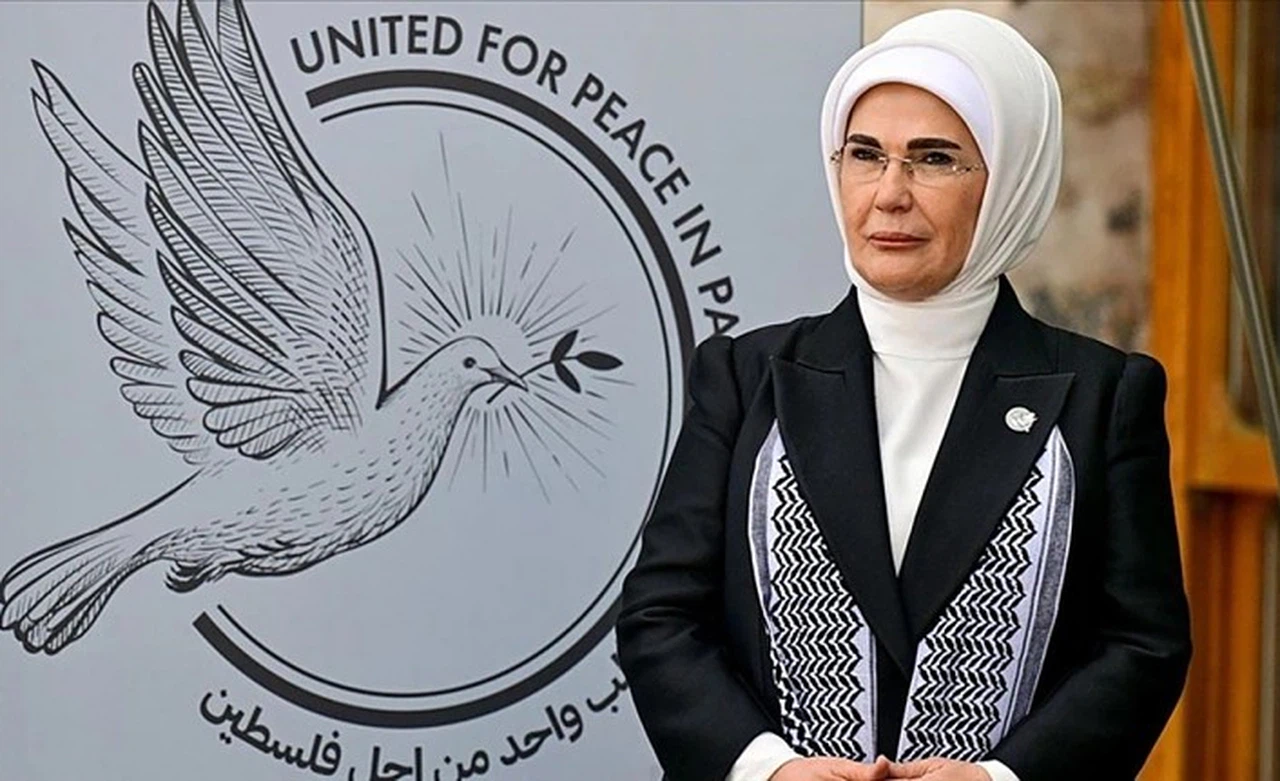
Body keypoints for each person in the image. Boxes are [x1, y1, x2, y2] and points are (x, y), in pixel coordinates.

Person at [615, 8, 1191, 781]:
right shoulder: (747, 376)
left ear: (1010, 180)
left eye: (934, 159)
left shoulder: (1102, 396)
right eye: (865, 154)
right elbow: (661, 616)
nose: (889, 193)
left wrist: (997, 778)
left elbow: (1141, 645)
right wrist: (770, 769)